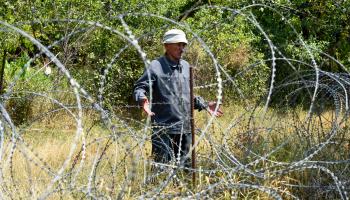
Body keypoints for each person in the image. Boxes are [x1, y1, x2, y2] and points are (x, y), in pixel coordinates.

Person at [133, 29, 223, 168]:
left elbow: (186, 96)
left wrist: (204, 104)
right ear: (167, 45)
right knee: (161, 170)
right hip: (164, 129)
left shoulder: (186, 66)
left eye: (183, 45)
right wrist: (142, 99)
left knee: (186, 170)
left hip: (185, 128)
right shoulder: (155, 66)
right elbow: (139, 87)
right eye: (178, 45)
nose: (182, 49)